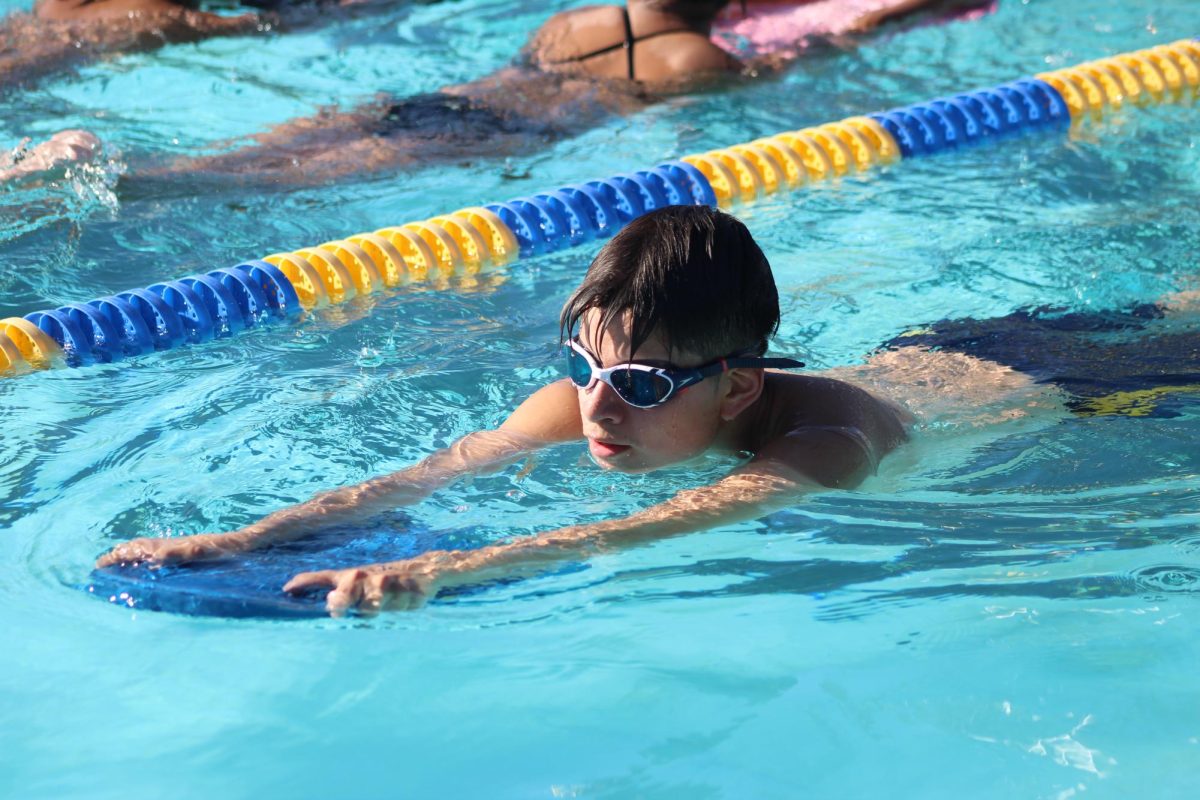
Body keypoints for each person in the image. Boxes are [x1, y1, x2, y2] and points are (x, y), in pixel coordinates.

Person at [96, 204, 913, 614]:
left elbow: (655, 524)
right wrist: (240, 541)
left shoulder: (828, 444)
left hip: (1028, 375)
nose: (598, 407)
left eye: (642, 383)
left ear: (739, 388)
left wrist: (441, 570)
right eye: (584, 365)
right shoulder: (580, 403)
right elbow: (416, 480)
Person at [4, 0, 994, 187]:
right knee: (276, 183)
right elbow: (809, 58)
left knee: (274, 145)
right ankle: (137, 177)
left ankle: (127, 168)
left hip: (441, 98)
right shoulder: (696, 60)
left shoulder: (579, 19)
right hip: (492, 139)